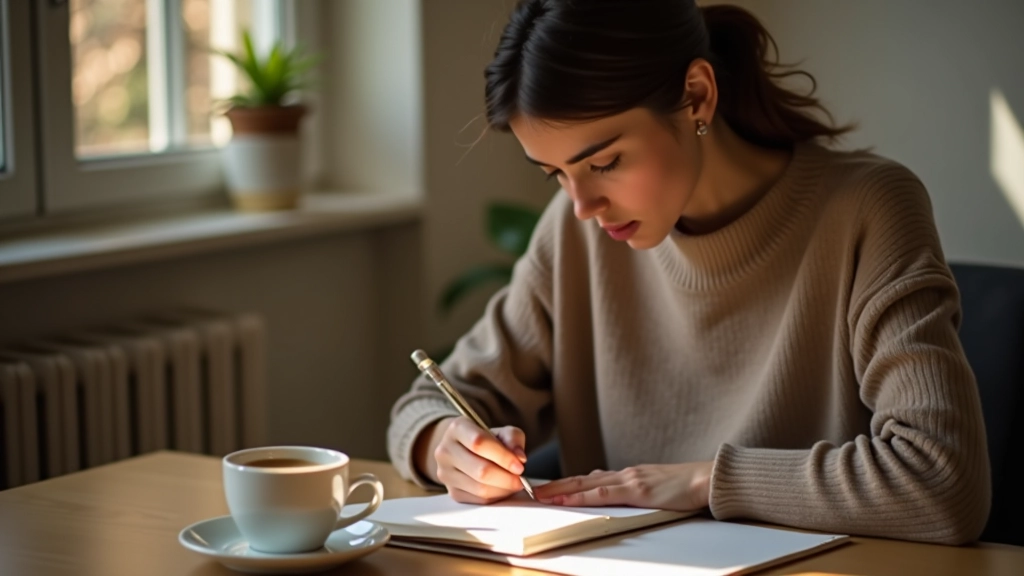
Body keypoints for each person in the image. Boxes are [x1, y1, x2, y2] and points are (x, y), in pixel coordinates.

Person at [387, 0, 991, 545]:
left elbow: (941, 479)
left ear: (696, 96)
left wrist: (701, 482)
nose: (581, 205)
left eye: (605, 161)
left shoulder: (868, 209)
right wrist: (443, 443)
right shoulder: (577, 230)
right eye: (555, 174)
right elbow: (428, 403)